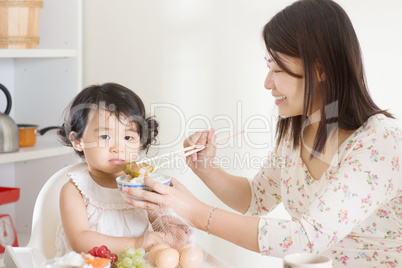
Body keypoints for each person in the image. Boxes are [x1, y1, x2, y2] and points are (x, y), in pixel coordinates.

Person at [123, 0, 402, 267]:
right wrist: (205, 168)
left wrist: (194, 211)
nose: (267, 82)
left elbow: (306, 237)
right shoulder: (297, 132)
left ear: (320, 70)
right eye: (268, 67)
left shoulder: (380, 143)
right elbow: (256, 199)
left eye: (277, 69)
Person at [55, 83, 188, 257]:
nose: (118, 147)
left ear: (140, 140)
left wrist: (172, 227)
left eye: (128, 137)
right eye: (105, 136)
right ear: (78, 140)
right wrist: (136, 243)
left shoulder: (142, 185)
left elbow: (160, 225)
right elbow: (80, 240)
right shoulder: (75, 190)